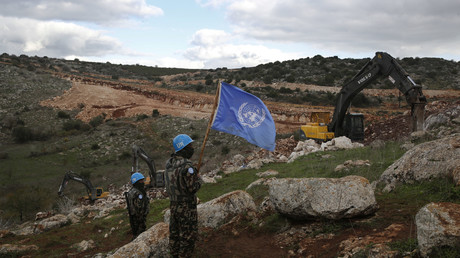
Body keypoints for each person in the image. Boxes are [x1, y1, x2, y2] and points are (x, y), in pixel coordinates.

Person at [165, 134, 202, 258]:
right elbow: (192, 188)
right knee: (188, 237)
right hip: (186, 207)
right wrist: (198, 179)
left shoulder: (169, 164)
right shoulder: (187, 165)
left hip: (173, 205)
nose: (192, 148)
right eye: (190, 145)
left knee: (174, 236)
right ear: (184, 148)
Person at [125, 172, 150, 240]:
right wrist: (143, 215)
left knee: (136, 232)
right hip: (138, 217)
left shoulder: (131, 191)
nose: (143, 182)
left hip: (134, 216)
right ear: (136, 182)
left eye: (142, 180)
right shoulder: (138, 193)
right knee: (140, 234)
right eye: (141, 180)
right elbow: (139, 207)